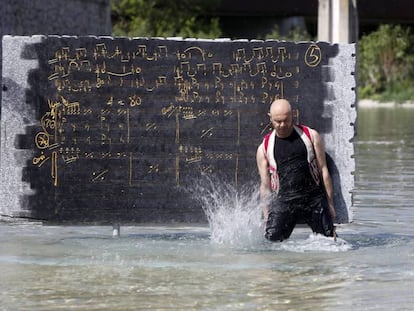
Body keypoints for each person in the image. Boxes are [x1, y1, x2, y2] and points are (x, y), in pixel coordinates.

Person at [256, 99, 336, 241]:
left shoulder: (310, 136)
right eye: (277, 121)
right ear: (270, 118)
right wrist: (266, 214)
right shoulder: (264, 147)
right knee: (271, 244)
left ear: (293, 115)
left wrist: (330, 204)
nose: (282, 125)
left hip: (313, 199)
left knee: (330, 242)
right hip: (284, 201)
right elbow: (265, 185)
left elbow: (324, 170)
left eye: (286, 120)